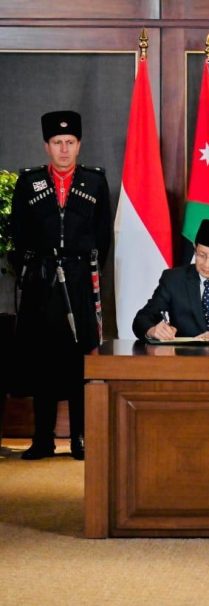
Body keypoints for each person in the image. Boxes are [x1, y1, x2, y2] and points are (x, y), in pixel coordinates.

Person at [10, 110, 112, 460]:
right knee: (43, 361)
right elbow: (19, 235)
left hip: (80, 282)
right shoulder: (29, 183)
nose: (64, 149)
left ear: (79, 144)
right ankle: (43, 438)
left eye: (70, 142)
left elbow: (103, 237)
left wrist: (85, 273)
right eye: (57, 142)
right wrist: (32, 271)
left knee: (78, 362)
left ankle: (80, 437)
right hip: (42, 284)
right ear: (46, 146)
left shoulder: (95, 182)